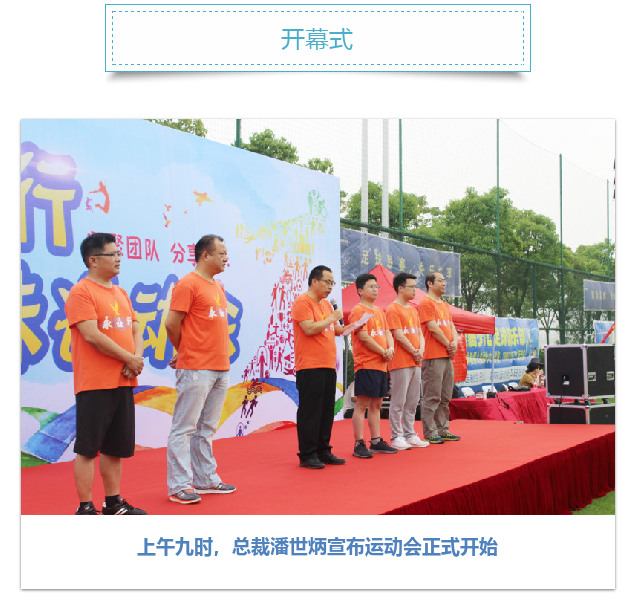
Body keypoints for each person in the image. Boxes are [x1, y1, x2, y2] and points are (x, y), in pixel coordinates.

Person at [65, 232, 147, 515]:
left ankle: (113, 502)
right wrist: (129, 358)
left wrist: (136, 359)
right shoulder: (82, 292)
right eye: (112, 254)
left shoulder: (121, 293)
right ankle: (85, 508)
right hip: (95, 383)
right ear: (93, 260)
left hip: (123, 380)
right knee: (88, 449)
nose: (118, 258)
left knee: (115, 447)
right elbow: (91, 334)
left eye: (119, 253)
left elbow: (135, 328)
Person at [164, 234, 236, 504]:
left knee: (206, 428)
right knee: (184, 428)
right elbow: (172, 323)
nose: (226, 258)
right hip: (196, 367)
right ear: (205, 255)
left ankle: (206, 479)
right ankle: (179, 485)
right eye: (222, 253)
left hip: (220, 366)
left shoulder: (218, 286)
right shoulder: (188, 284)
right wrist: (184, 350)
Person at [291, 265, 350, 469]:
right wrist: (332, 318)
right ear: (314, 281)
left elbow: (333, 329)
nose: (331, 287)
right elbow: (309, 328)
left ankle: (323, 450)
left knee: (326, 411)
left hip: (328, 365)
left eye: (333, 283)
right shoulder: (302, 302)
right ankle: (307, 454)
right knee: (311, 411)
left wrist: (350, 327)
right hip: (310, 366)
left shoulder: (326, 304)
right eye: (328, 282)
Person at [348, 274, 397, 458]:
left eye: (377, 286)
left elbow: (387, 332)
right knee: (362, 404)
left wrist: (390, 348)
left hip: (381, 365)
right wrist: (382, 351)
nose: (375, 289)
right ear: (360, 290)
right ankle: (359, 443)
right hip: (366, 363)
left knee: (376, 404)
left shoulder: (379, 311)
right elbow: (363, 336)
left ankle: (375, 441)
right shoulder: (358, 310)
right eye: (371, 286)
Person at [385, 273, 430, 450]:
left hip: (415, 361)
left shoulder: (413, 310)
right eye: (412, 287)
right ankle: (397, 436)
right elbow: (398, 335)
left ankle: (410, 434)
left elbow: (420, 333)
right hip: (401, 361)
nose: (415, 290)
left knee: (413, 401)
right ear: (400, 288)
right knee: (398, 401)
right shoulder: (393, 309)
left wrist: (421, 351)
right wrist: (414, 351)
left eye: (415, 287)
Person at [417, 272, 461, 444]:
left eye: (445, 280)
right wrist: (448, 344)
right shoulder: (426, 303)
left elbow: (451, 326)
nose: (444, 283)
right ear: (430, 283)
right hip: (433, 356)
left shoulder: (443, 304)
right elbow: (433, 328)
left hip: (447, 356)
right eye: (440, 281)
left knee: (445, 395)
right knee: (432, 395)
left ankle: (443, 429)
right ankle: (430, 431)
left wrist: (455, 343)